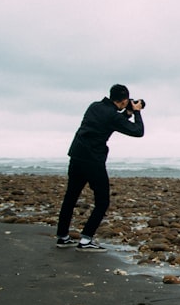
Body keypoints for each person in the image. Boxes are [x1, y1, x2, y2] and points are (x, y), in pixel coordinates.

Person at [56, 84, 145, 252]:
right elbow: (138, 131)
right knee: (102, 201)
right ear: (125, 100)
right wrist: (137, 112)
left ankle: (62, 236)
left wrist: (127, 113)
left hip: (76, 155)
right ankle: (86, 239)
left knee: (71, 196)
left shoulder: (95, 106)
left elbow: (109, 122)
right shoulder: (112, 116)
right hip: (93, 161)